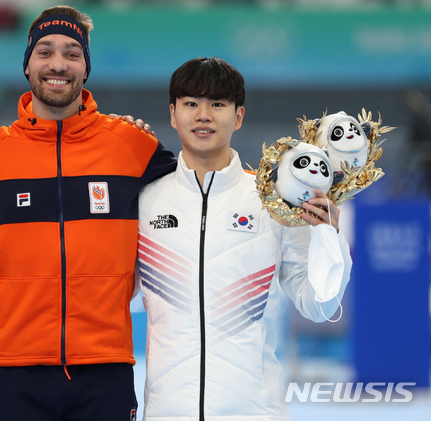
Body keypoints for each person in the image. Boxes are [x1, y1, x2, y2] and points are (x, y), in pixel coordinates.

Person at [0, 5, 177, 421]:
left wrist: (285, 194)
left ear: (86, 67)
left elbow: (203, 187)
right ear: (27, 65)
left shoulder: (131, 144)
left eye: (72, 53)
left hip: (105, 365)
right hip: (12, 366)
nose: (58, 64)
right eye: (44, 52)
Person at [137, 57, 352, 420]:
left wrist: (327, 237)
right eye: (191, 104)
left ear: (238, 117)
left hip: (254, 411)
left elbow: (320, 305)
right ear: (173, 114)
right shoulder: (145, 200)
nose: (203, 115)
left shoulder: (272, 201)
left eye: (217, 104)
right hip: (167, 411)